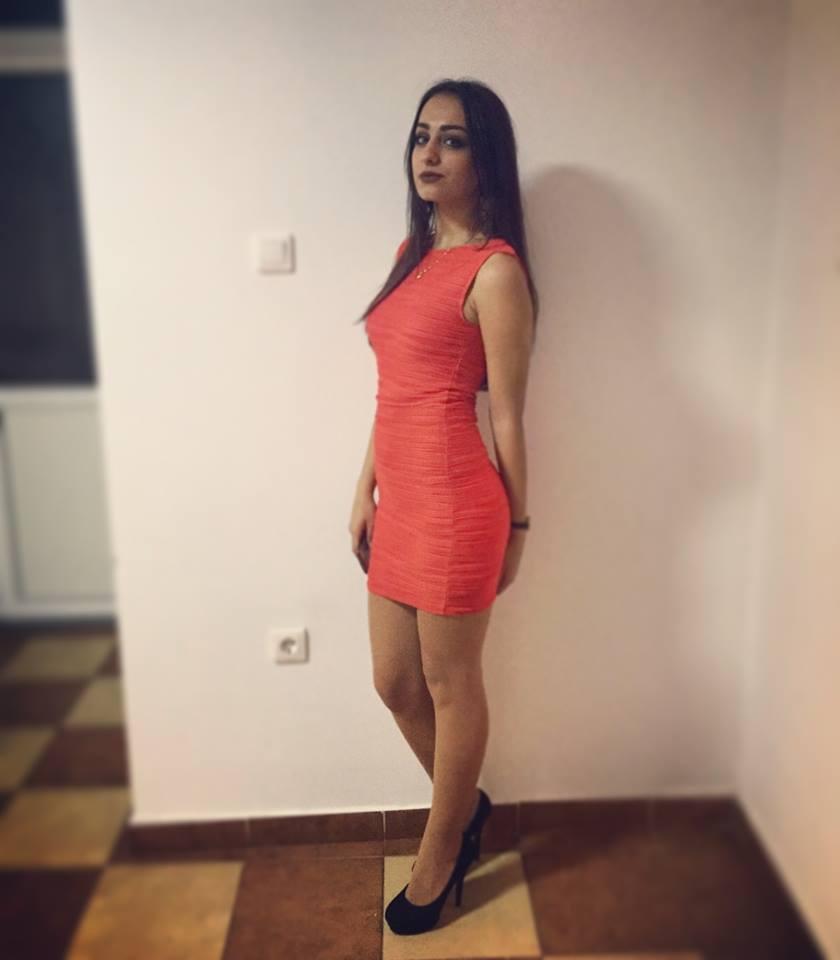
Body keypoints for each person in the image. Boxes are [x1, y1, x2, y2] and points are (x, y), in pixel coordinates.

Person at [348, 77, 538, 936]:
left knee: (449, 685)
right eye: (422, 135)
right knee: (394, 682)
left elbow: (508, 416)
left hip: (460, 506)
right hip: (399, 502)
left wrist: (520, 525)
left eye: (452, 139)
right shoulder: (410, 253)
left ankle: (440, 855)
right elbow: (394, 390)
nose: (428, 153)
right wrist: (364, 485)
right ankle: (466, 809)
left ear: (484, 157)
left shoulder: (496, 272)